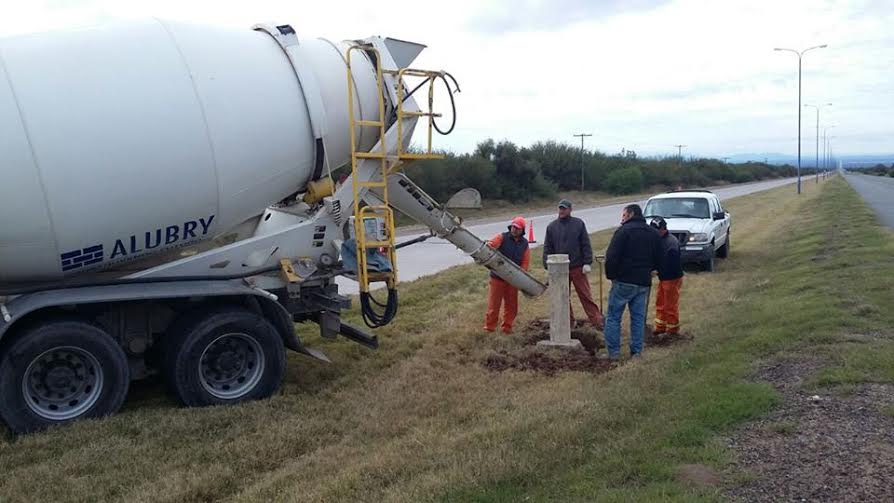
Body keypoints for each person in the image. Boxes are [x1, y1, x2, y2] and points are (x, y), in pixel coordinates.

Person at [603, 204, 662, 359]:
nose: (622, 218)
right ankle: (636, 352)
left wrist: (611, 276)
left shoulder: (623, 232)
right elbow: (660, 256)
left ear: (630, 214)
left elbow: (612, 257)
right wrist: (652, 270)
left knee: (614, 317)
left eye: (623, 215)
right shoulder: (653, 233)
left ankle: (613, 353)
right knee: (638, 318)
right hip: (643, 282)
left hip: (623, 281)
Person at [542, 199, 605, 330]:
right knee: (562, 297)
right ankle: (568, 322)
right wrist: (547, 264)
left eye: (564, 208)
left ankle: (597, 322)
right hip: (559, 268)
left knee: (585, 295)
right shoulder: (552, 227)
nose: (562, 211)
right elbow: (548, 247)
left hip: (577, 266)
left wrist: (587, 262)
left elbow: (585, 244)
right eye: (560, 208)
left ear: (570, 210)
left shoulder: (578, 224)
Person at [484, 216, 531, 334]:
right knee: (494, 305)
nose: (514, 230)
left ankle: (507, 327)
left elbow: (525, 261)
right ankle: (490, 327)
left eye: (518, 228)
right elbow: (492, 244)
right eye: (513, 227)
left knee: (511, 306)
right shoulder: (502, 237)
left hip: (512, 279)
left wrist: (522, 273)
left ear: (522, 230)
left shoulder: (524, 243)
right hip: (497, 277)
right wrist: (489, 244)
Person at [650, 217, 684, 336]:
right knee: (660, 301)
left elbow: (671, 263)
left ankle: (672, 329)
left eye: (656, 230)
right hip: (664, 278)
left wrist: (658, 270)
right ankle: (660, 326)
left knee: (670, 304)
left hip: (672, 277)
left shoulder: (671, 242)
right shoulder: (658, 240)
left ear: (663, 229)